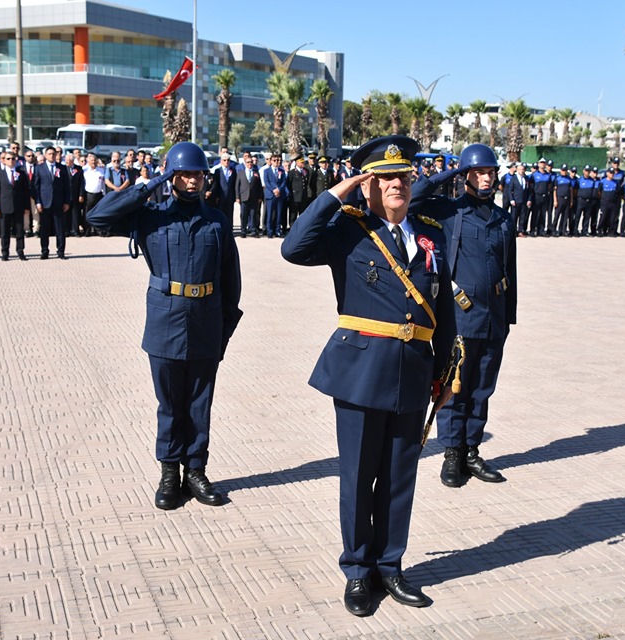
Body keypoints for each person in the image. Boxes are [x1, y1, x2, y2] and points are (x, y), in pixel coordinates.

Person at [281, 135, 456, 617]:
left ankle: (390, 566)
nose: (397, 184)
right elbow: (293, 249)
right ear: (368, 185)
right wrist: (337, 194)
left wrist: (446, 370)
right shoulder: (348, 231)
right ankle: (358, 572)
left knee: (400, 476)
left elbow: (441, 306)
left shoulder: (430, 234)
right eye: (384, 177)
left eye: (403, 176)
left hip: (413, 373)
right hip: (360, 370)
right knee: (359, 477)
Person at [86, 141, 243, 511]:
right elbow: (98, 217)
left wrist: (224, 331)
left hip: (205, 321)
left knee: (199, 404)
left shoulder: (216, 221)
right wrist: (151, 183)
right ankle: (169, 472)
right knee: (170, 404)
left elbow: (230, 281)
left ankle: (196, 470)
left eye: (198, 174)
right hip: (164, 320)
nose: (192, 181)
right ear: (172, 176)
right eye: (184, 173)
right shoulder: (151, 215)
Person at [410, 143, 516, 488]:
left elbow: (509, 270)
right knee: (455, 389)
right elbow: (414, 199)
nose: (486, 179)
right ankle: (452, 455)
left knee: (483, 388)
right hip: (460, 316)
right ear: (466, 176)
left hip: (493, 318)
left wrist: (508, 319)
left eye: (490, 172)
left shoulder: (503, 219)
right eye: (478, 172)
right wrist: (449, 174)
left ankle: (472, 450)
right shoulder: (450, 212)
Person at [32, 146, 71, 259]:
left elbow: (66, 187)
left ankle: (61, 251)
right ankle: (44, 251)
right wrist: (38, 202)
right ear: (45, 155)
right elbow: (36, 186)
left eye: (54, 154)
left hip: (59, 203)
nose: (52, 156)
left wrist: (67, 202)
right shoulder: (39, 168)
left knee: (60, 229)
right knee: (45, 229)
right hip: (45, 203)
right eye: (49, 154)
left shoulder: (62, 168)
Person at [0, 151, 31, 261]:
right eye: (8, 159)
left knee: (19, 231)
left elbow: (26, 191)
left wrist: (27, 207)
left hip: (18, 207)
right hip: (5, 207)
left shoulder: (21, 173)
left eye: (13, 159)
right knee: (5, 232)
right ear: (4, 160)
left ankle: (20, 251)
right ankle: (5, 252)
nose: (10, 161)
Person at [235, 153, 262, 237]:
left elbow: (259, 186)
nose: (249, 164)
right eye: (248, 162)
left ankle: (253, 230)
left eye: (251, 162)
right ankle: (243, 231)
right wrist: (237, 197)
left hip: (254, 197)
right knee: (244, 215)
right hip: (244, 197)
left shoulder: (256, 173)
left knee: (253, 214)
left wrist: (260, 197)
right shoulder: (241, 173)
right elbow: (237, 186)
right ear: (245, 163)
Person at [505, 162, 530, 236]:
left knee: (522, 217)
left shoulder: (526, 179)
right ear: (517, 170)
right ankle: (513, 231)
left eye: (523, 169)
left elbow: (529, 191)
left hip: (524, 201)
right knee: (514, 217)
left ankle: (520, 231)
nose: (521, 171)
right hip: (515, 201)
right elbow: (510, 190)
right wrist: (511, 199)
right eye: (520, 169)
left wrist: (529, 199)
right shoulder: (513, 179)